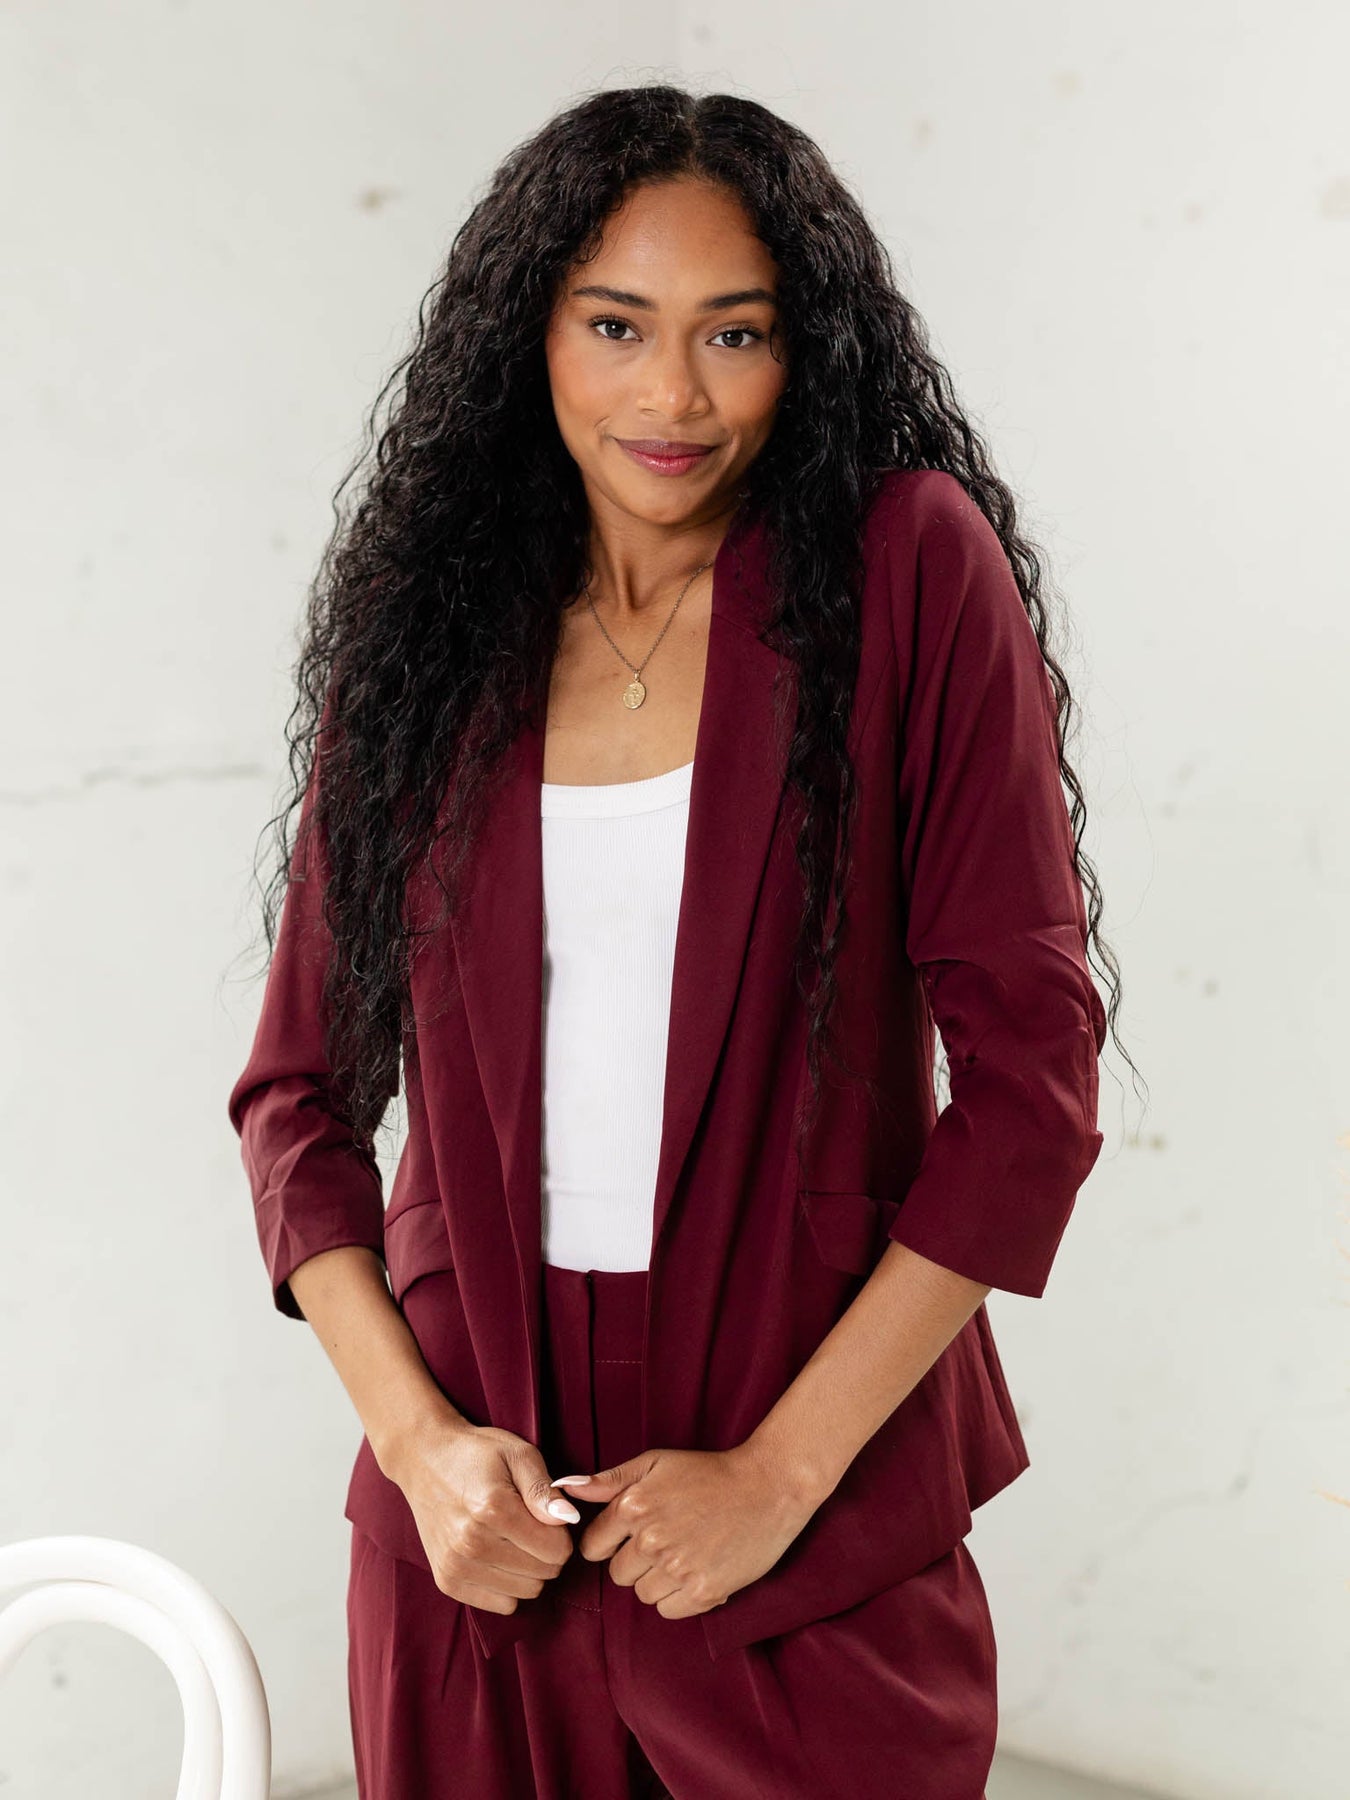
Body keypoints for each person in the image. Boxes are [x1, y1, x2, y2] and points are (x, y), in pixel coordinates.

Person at [227, 83, 1133, 1800]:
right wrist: (418, 1452)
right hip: (482, 1508)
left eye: (735, 332)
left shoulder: (902, 572)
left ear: (805, 351)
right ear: (528, 335)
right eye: (615, 326)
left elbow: (1031, 1085)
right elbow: (296, 1102)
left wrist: (779, 1476)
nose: (672, 396)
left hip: (801, 1459)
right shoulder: (436, 618)